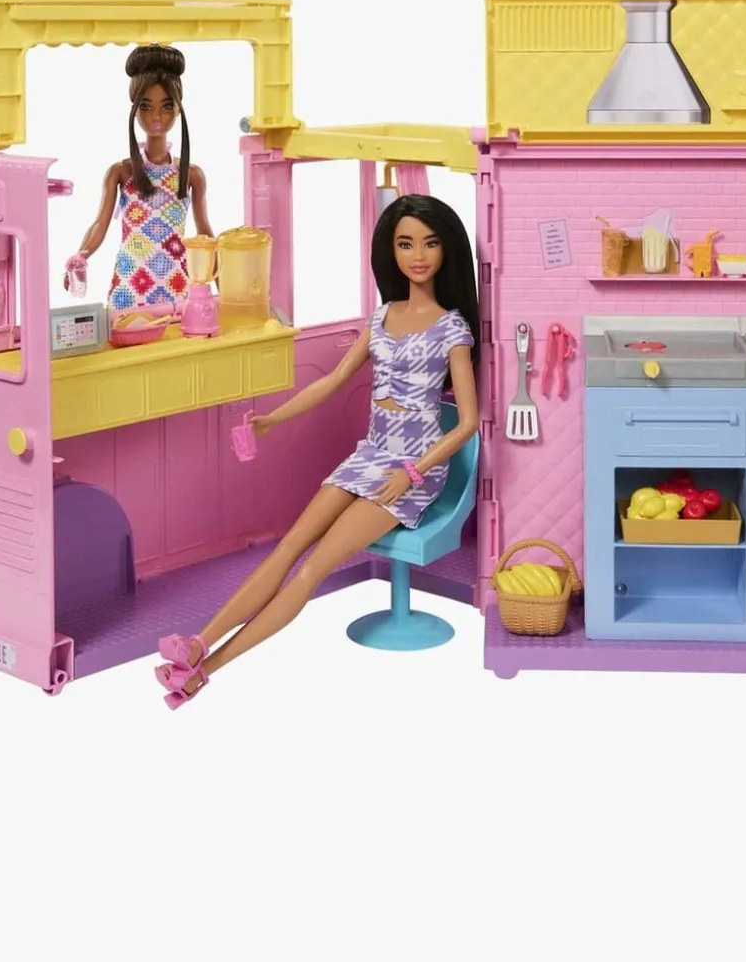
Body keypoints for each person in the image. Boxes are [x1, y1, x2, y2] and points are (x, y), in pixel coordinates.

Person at [154, 194, 480, 706]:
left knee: (311, 570)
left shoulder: (451, 328)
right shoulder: (382, 317)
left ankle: (204, 671)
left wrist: (413, 473)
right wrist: (272, 420)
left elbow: (467, 423)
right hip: (369, 456)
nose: (418, 255)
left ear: (446, 250)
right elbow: (331, 381)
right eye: (406, 244)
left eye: (430, 243)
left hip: (410, 472)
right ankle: (197, 643)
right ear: (390, 251)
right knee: (288, 548)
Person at [63, 45, 213, 308]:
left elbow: (205, 237)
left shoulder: (191, 175)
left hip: (176, 286)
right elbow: (100, 224)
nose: (156, 116)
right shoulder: (121, 173)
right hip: (129, 287)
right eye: (146, 106)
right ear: (135, 109)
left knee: (176, 333)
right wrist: (81, 255)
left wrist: (227, 288)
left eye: (166, 106)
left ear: (178, 109)